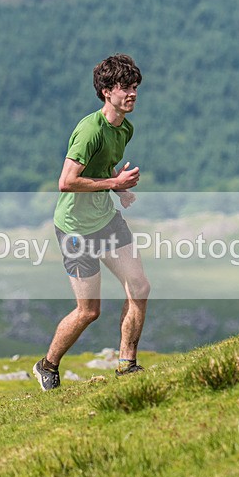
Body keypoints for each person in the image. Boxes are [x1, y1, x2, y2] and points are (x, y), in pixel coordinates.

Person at [33, 53, 151, 391]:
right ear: (106, 92)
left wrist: (119, 190)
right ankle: (48, 364)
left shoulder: (125, 128)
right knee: (89, 310)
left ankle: (127, 364)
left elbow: (104, 169)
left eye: (135, 87)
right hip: (74, 230)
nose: (133, 94)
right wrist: (114, 184)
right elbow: (66, 181)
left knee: (139, 287)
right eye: (126, 88)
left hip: (107, 221)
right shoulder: (89, 131)